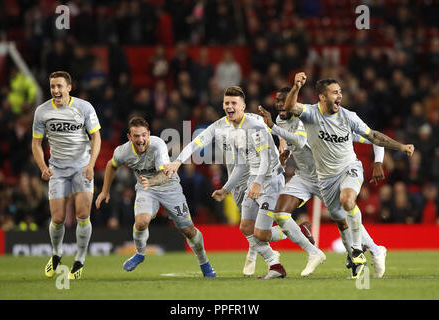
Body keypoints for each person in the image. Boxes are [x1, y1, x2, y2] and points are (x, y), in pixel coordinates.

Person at [284, 72, 414, 278]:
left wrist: (400, 147)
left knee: (347, 200)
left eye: (340, 92)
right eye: (335, 92)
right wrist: (296, 87)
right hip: (325, 179)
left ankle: (356, 251)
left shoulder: (348, 117)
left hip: (349, 168)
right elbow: (290, 107)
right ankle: (373, 252)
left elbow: (373, 136)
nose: (340, 96)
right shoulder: (309, 115)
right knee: (341, 221)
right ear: (322, 97)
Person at [258, 86, 387, 278]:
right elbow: (300, 145)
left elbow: (374, 138)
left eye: (284, 100)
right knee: (280, 212)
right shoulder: (279, 120)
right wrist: (286, 152)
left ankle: (376, 250)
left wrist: (377, 162)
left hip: (326, 177)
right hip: (303, 177)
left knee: (344, 221)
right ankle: (314, 252)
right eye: (277, 101)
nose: (280, 105)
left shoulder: (307, 116)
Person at [164, 86, 292, 277]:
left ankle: (265, 255)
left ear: (243, 106)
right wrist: (178, 161)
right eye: (226, 103)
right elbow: (196, 142)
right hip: (239, 178)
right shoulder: (219, 126)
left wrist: (282, 142)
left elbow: (276, 128)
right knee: (249, 227)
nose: (229, 106)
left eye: (234, 103)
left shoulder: (255, 121)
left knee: (256, 228)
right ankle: (276, 248)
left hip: (266, 177)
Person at [95, 116, 216, 278]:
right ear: (129, 137)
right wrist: (105, 191)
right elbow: (111, 165)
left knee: (188, 230)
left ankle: (204, 263)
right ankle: (140, 253)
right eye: (136, 136)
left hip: (170, 187)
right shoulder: (123, 151)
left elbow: (165, 175)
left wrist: (150, 182)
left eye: (144, 135)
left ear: (149, 134)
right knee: (141, 222)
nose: (141, 139)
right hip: (146, 189)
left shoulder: (157, 145)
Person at [32, 71, 101, 280]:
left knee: (82, 214)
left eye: (59, 86)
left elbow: (95, 137)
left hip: (81, 166)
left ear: (69, 87)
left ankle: (79, 259)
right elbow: (36, 143)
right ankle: (56, 254)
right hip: (57, 169)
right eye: (52, 86)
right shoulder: (42, 111)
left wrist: (91, 164)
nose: (55, 90)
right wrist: (43, 166)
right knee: (58, 218)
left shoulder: (84, 107)